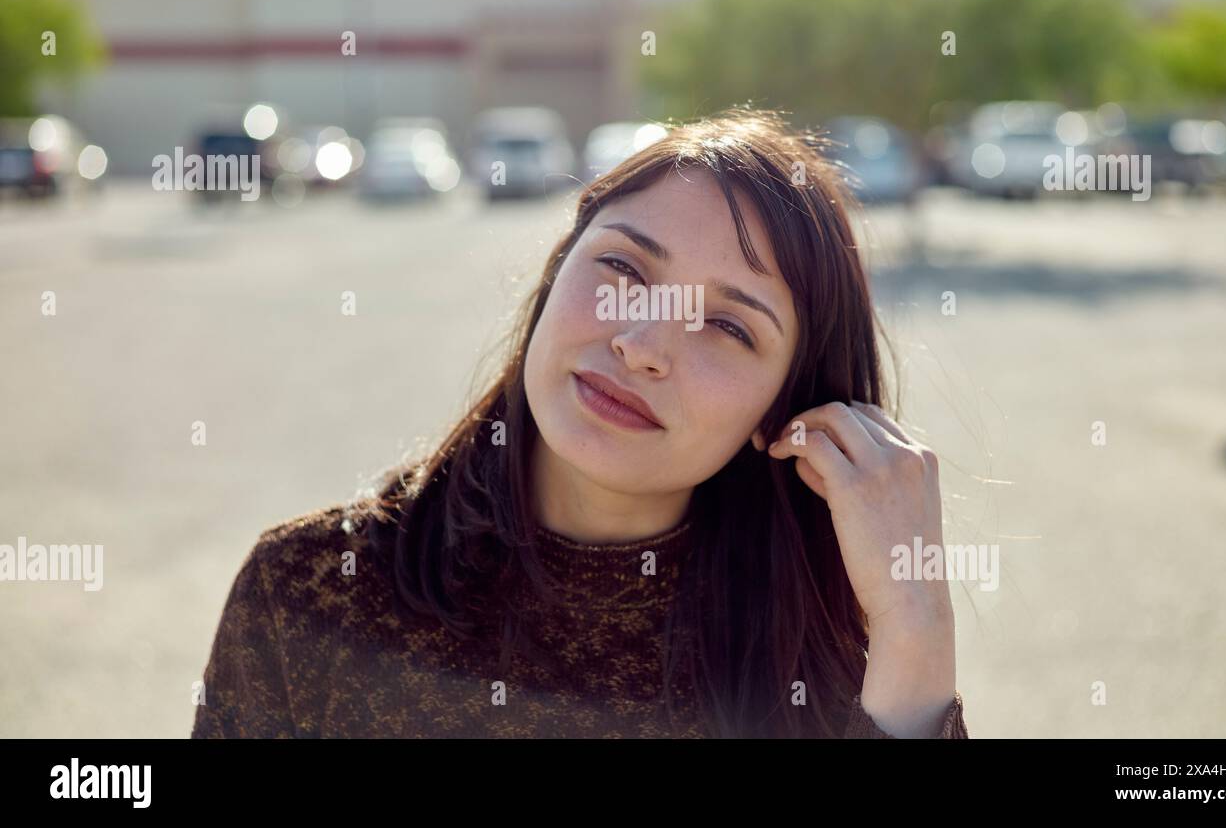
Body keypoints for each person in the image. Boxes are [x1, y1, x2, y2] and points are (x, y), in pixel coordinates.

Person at [191, 108, 968, 738]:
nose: (641, 346)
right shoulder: (310, 594)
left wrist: (916, 625)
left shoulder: (828, 679)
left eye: (729, 328)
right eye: (625, 269)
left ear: (785, 413)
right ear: (556, 271)